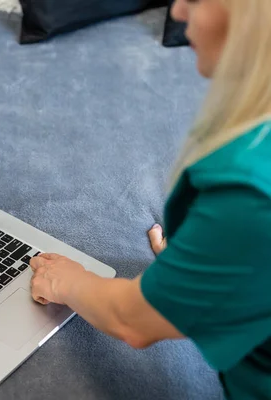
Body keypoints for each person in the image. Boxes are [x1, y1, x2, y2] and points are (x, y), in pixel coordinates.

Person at [29, 0, 271, 398]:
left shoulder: (248, 194)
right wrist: (205, 262)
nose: (176, 12)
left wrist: (69, 281)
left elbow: (132, 321)